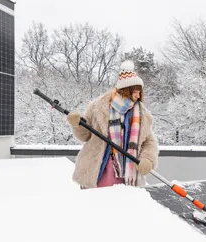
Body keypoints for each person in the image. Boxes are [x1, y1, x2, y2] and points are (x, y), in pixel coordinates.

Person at [66, 60, 159, 189]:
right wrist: (77, 124)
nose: (139, 96)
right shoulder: (98, 106)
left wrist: (148, 159)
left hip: (127, 172)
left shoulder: (142, 114)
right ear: (126, 90)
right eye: (135, 91)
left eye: (140, 92)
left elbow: (149, 141)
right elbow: (85, 136)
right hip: (98, 169)